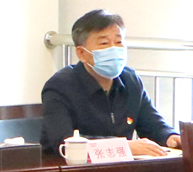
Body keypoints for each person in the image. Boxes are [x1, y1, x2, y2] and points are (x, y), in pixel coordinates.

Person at [40, 10, 180, 156]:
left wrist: (170, 137)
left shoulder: (130, 80)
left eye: (119, 42)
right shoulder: (60, 86)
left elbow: (153, 125)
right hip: (67, 167)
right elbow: (64, 142)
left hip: (121, 167)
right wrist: (124, 147)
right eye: (104, 43)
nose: (114, 49)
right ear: (81, 53)